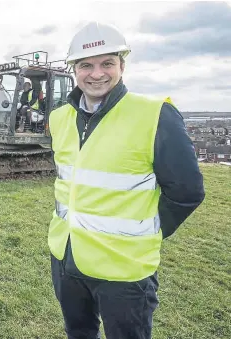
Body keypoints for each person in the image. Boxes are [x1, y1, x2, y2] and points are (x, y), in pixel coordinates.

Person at [47, 22, 205, 339]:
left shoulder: (155, 114)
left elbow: (187, 192)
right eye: (86, 65)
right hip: (66, 257)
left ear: (122, 65)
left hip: (124, 268)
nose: (96, 73)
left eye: (107, 63)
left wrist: (147, 230)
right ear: (73, 70)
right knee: (78, 332)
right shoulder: (59, 117)